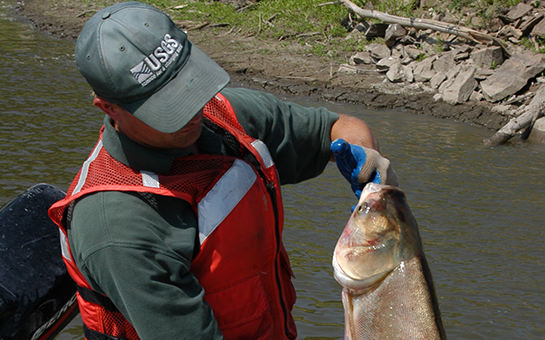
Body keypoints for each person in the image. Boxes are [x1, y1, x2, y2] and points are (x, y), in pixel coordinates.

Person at [48, 2, 398, 339]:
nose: (192, 111)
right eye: (167, 105)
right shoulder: (119, 228)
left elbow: (335, 128)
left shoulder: (223, 116)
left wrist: (364, 156)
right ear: (108, 107)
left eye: (189, 86)